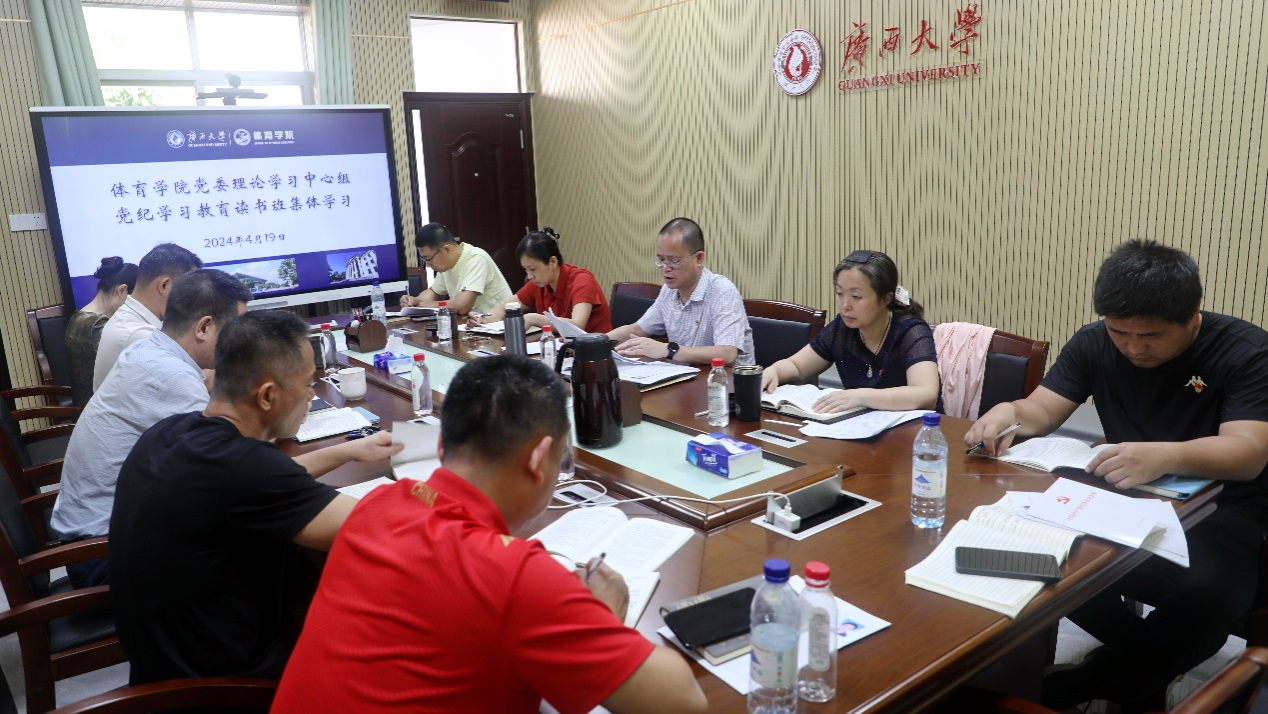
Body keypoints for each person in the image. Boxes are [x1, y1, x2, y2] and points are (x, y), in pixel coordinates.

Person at [272, 357, 708, 714]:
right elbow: (683, 702)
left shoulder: (377, 506)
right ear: (539, 458)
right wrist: (604, 620)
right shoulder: (516, 577)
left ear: (440, 446)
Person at [964, 240, 1268, 713]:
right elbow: (1043, 409)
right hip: (1128, 496)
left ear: (1193, 316)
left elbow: (1247, 453)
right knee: (1040, 560)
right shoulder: (1094, 341)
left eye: (1150, 336)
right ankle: (1141, 670)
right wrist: (1010, 412)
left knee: (1209, 599)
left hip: (1225, 506)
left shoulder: (1246, 351)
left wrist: (1162, 456)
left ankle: (1086, 682)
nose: (1132, 347)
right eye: (1119, 331)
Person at [109, 309, 403, 685]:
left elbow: (265, 481)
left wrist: (348, 451)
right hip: (233, 685)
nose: (312, 396)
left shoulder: (172, 432)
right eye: (307, 384)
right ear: (267, 396)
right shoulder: (245, 468)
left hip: (166, 664)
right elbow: (376, 530)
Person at [53, 269, 251, 588]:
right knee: (263, 540)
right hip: (103, 553)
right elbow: (232, 471)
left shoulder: (151, 349)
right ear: (204, 327)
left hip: (97, 534)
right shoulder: (170, 375)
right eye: (236, 330)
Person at [760, 250, 940, 413]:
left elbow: (926, 394)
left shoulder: (911, 331)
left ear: (886, 299)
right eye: (840, 294)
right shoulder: (842, 328)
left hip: (916, 431)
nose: (845, 306)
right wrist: (774, 371)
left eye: (856, 297)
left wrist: (859, 396)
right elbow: (797, 366)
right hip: (862, 427)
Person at [606, 217, 754, 366]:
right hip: (686, 375)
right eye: (661, 260)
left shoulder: (722, 291)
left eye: (673, 261)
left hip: (724, 378)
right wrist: (598, 342)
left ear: (699, 258)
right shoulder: (669, 291)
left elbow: (727, 354)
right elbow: (638, 329)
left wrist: (668, 350)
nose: (665, 268)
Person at [93, 243, 202, 390]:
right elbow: (192, 385)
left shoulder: (127, 315)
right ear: (164, 286)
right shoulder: (141, 336)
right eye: (189, 291)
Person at [469, 227, 613, 334]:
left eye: (533, 269)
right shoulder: (539, 283)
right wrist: (481, 318)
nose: (529, 276)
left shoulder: (582, 280)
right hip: (559, 348)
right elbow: (505, 309)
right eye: (526, 270)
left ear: (553, 262)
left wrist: (534, 319)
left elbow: (577, 325)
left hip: (594, 355)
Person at [398, 222, 514, 317]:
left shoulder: (476, 258)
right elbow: (435, 292)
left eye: (429, 259)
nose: (427, 265)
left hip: (498, 324)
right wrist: (415, 301)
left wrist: (433, 305)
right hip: (473, 324)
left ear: (447, 250)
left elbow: (462, 306)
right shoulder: (446, 265)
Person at [65, 257, 138, 406]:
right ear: (122, 290)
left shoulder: (79, 317)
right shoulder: (98, 327)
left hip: (89, 404)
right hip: (100, 408)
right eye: (134, 301)